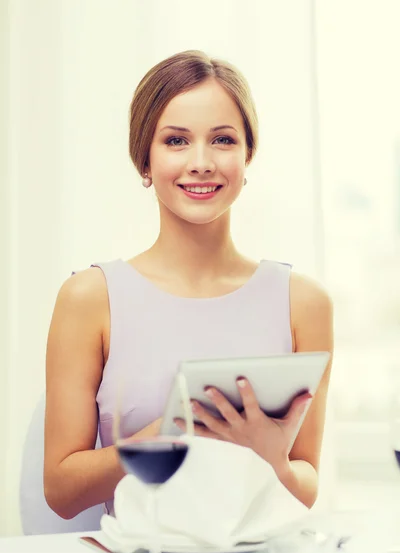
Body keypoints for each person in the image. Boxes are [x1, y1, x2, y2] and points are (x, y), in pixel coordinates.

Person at [44, 49, 333, 520]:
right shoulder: (90, 298)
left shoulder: (304, 303)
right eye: (176, 141)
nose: (201, 162)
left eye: (222, 139)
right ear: (145, 159)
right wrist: (169, 435)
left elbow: (305, 486)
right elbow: (61, 491)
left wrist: (269, 457)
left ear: (247, 154)